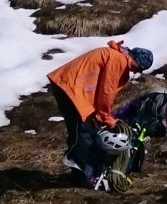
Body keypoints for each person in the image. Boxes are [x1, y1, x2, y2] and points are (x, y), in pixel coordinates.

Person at [45, 40, 152, 173]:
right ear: (137, 61)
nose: (135, 71)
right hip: (71, 87)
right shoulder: (118, 60)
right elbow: (106, 91)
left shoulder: (115, 55)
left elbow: (98, 86)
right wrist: (106, 118)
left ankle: (79, 164)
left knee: (80, 128)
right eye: (139, 68)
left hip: (69, 86)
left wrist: (98, 114)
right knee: (82, 130)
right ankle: (78, 162)